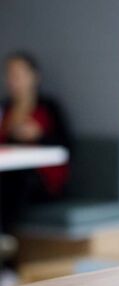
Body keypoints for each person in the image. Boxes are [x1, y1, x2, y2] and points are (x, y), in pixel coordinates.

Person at [0, 51, 71, 233]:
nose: (13, 80)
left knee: (16, 180)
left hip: (44, 180)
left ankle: (7, 241)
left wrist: (38, 135)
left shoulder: (48, 108)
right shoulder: (6, 108)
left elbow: (66, 146)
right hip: (12, 174)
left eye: (19, 74)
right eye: (10, 74)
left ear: (34, 77)